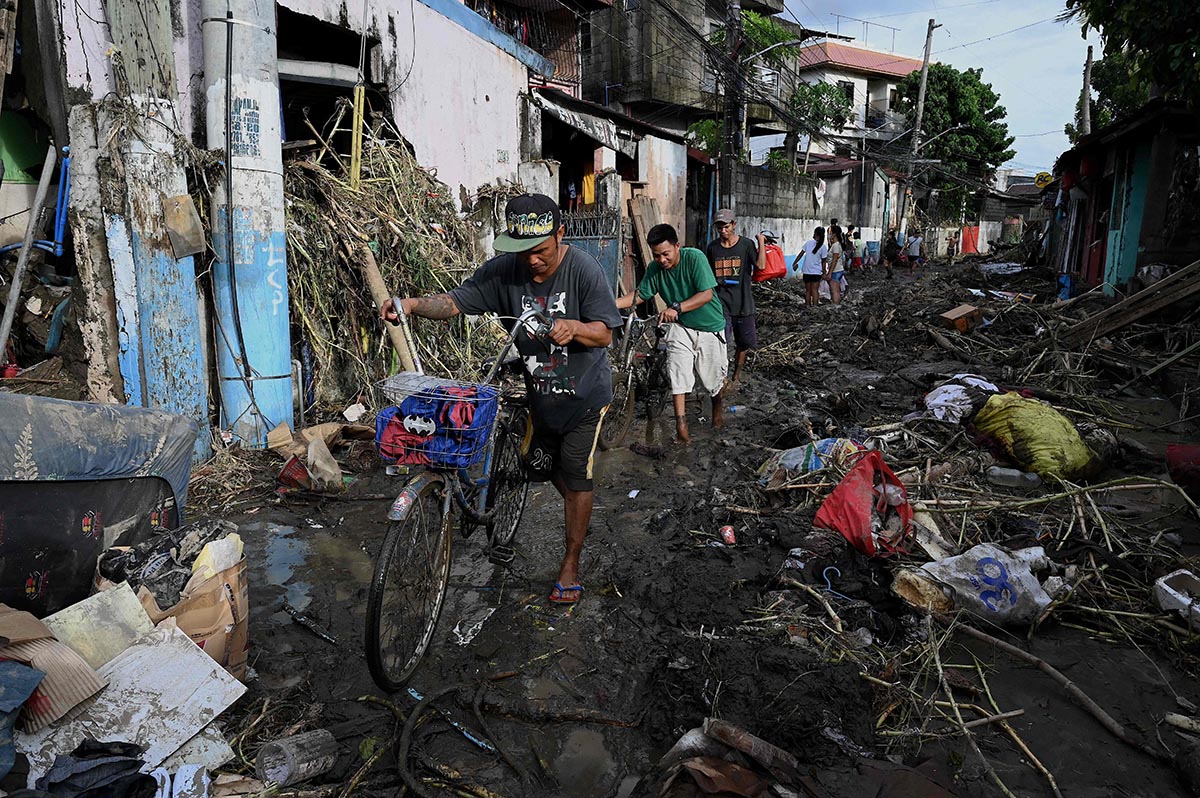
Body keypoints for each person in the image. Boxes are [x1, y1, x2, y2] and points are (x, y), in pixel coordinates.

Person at [380, 194, 622, 606]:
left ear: (560, 235)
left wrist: (573, 327)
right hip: (540, 397)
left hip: (584, 398)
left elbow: (605, 332)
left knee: (578, 475)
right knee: (541, 469)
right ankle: (576, 507)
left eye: (541, 251)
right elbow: (456, 301)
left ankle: (570, 562)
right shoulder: (506, 272)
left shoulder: (584, 270)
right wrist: (412, 304)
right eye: (523, 251)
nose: (532, 261)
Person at [616, 224, 728, 444]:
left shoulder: (694, 258)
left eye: (666, 254)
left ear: (677, 246)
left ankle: (717, 407)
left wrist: (676, 308)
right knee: (678, 374)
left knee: (712, 380)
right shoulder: (654, 269)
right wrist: (611, 304)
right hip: (682, 327)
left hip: (710, 327)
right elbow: (640, 295)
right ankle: (682, 429)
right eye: (656, 255)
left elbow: (705, 295)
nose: (662, 260)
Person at [705, 209, 764, 388]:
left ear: (734, 225)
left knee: (744, 343)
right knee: (722, 340)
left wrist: (760, 242)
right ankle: (721, 377)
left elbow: (761, 265)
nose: (723, 231)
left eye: (726, 227)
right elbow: (707, 274)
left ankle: (736, 375)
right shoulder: (713, 248)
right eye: (719, 227)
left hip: (744, 303)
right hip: (721, 303)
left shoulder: (746, 245)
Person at [791, 226, 827, 306]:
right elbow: (824, 262)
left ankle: (807, 306)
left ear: (816, 234)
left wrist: (795, 262)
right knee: (815, 291)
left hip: (807, 271)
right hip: (816, 272)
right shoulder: (823, 247)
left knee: (808, 291)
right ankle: (815, 307)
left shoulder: (808, 243)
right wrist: (824, 272)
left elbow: (801, 254)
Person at [826, 227, 844, 305]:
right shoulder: (835, 245)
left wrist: (830, 272)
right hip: (837, 270)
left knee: (834, 290)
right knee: (836, 290)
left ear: (834, 234)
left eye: (830, 233)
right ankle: (837, 304)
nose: (829, 235)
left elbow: (834, 260)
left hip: (835, 271)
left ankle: (836, 305)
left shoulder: (836, 246)